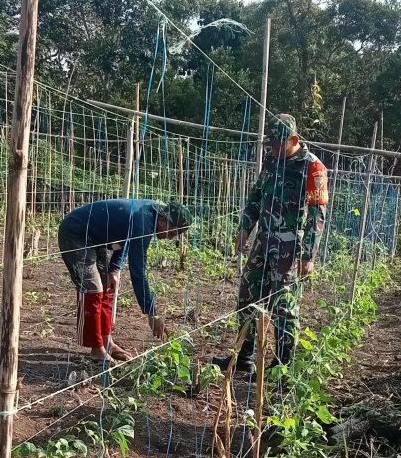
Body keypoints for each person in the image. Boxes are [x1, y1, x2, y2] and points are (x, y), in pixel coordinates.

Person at [212, 114, 328, 374]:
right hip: (262, 241)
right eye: (270, 143)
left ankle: (281, 368)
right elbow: (256, 195)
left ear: (294, 139)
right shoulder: (272, 159)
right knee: (247, 295)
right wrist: (244, 227)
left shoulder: (313, 168)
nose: (272, 147)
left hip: (289, 247)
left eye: (277, 142)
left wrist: (308, 255)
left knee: (284, 306)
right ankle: (244, 357)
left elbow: (317, 215)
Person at [58, 199, 192, 361]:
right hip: (76, 233)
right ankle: (96, 349)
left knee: (108, 286)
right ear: (163, 221)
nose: (170, 238)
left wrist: (114, 268)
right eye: (171, 233)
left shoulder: (150, 216)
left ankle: (107, 342)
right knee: (92, 289)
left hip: (96, 238)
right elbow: (138, 272)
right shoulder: (144, 223)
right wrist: (151, 313)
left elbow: (127, 238)